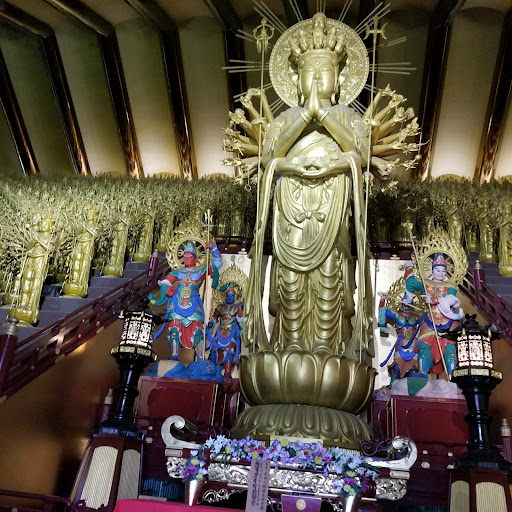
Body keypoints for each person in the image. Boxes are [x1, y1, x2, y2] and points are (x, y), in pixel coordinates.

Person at [245, 12, 373, 359]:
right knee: (290, 276)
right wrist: (305, 116)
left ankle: (327, 347)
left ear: (339, 78)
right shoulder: (286, 118)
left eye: (324, 70)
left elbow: (360, 155)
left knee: (330, 273)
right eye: (309, 71)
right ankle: (290, 344)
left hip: (332, 208)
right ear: (296, 80)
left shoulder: (348, 116)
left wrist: (325, 116)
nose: (316, 77)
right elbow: (270, 156)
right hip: (291, 209)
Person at [153, 241, 222, 365]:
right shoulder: (178, 271)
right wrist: (167, 289)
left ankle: (200, 357)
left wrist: (213, 248)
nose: (186, 258)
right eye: (184, 256)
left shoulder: (201, 270)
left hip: (194, 303)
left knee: (197, 328)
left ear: (195, 258)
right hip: (177, 303)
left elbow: (217, 264)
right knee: (174, 326)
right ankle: (174, 354)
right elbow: (166, 282)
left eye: (189, 256)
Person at [405, 253, 463, 376]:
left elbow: (451, 300)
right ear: (432, 271)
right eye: (437, 270)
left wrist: (434, 299)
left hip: (448, 321)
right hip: (429, 320)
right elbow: (410, 282)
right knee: (424, 346)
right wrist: (408, 298)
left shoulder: (450, 286)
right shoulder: (425, 283)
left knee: (450, 349)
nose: (441, 273)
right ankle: (422, 374)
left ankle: (453, 377)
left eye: (443, 271)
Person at [207, 283, 243, 377]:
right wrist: (211, 323)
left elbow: (240, 321)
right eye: (228, 296)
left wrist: (244, 331)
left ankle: (228, 371)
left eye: (232, 296)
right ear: (224, 296)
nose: (230, 298)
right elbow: (214, 318)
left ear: (235, 296)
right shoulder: (220, 307)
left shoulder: (237, 307)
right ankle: (211, 369)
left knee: (230, 349)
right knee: (214, 348)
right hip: (220, 331)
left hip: (232, 332)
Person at [62, 206, 97, 297]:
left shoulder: (94, 225)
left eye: (91, 214)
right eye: (88, 213)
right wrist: (81, 229)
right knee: (76, 261)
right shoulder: (83, 224)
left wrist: (87, 229)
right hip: (80, 243)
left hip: (87, 245)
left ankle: (80, 282)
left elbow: (95, 235)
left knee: (84, 263)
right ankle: (73, 279)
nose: (89, 215)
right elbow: (77, 233)